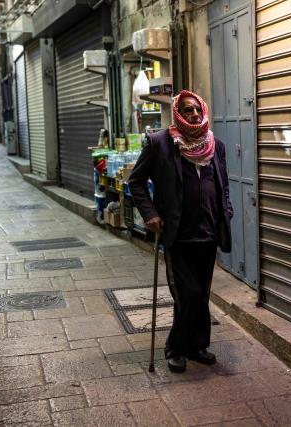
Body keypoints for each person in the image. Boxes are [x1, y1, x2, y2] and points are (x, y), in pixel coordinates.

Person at [128, 90, 233, 373]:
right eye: (188, 110)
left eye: (198, 110)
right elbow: (135, 182)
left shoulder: (215, 146)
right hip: (178, 234)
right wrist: (150, 214)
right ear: (177, 113)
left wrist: (226, 210)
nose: (194, 115)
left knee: (201, 293)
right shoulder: (160, 143)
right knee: (186, 293)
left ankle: (197, 345)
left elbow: (223, 184)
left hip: (208, 232)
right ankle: (175, 347)